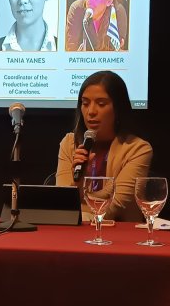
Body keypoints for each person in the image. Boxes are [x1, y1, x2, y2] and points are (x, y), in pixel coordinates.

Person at [56, 70, 153, 221]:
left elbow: (116, 207)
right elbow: (61, 204)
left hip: (122, 237)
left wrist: (77, 209)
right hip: (74, 235)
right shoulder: (69, 144)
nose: (91, 112)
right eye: (85, 103)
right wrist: (78, 182)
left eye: (101, 104)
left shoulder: (138, 149)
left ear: (118, 108)